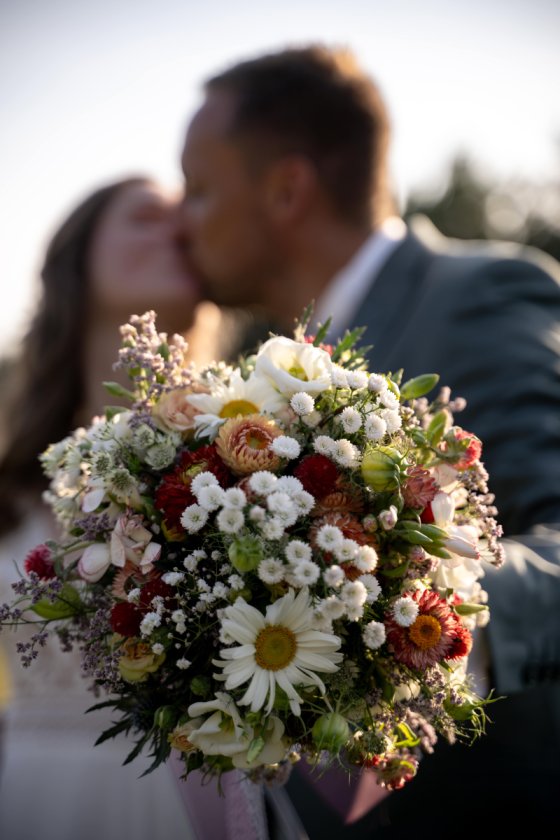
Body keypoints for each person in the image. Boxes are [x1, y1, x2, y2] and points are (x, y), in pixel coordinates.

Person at [179, 46, 560, 835]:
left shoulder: (478, 295)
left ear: (286, 189)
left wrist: (431, 628)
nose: (185, 220)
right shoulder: (257, 386)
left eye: (201, 189)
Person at [0, 176, 221, 840]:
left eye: (186, 222)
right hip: (33, 801)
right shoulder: (8, 484)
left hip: (193, 807)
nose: (177, 232)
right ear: (78, 258)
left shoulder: (252, 468)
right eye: (148, 217)